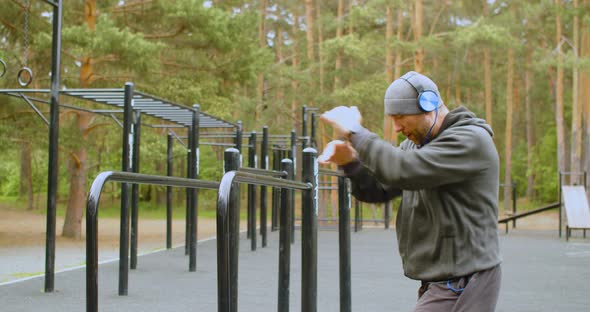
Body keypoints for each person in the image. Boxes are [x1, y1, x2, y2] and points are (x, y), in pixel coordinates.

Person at [318, 71, 502, 312]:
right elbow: (379, 189)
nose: (395, 128)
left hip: (465, 278)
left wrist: (356, 132)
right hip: (442, 278)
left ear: (429, 105)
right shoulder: (416, 145)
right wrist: (351, 163)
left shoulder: (470, 140)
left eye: (401, 117)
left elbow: (404, 169)